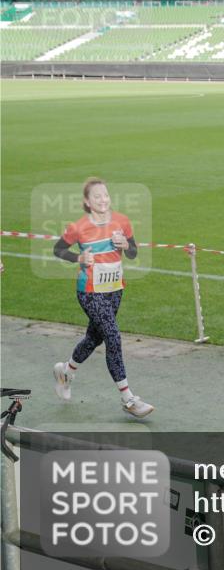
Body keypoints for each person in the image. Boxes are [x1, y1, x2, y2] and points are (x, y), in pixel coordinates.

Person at [52, 177, 154, 419]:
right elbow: (58, 249)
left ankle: (65, 372)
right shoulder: (78, 227)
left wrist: (124, 244)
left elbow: (133, 251)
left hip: (115, 289)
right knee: (113, 337)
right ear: (87, 202)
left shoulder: (122, 221)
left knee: (94, 338)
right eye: (96, 196)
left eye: (105, 195)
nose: (102, 199)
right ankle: (128, 398)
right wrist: (79, 259)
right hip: (89, 291)